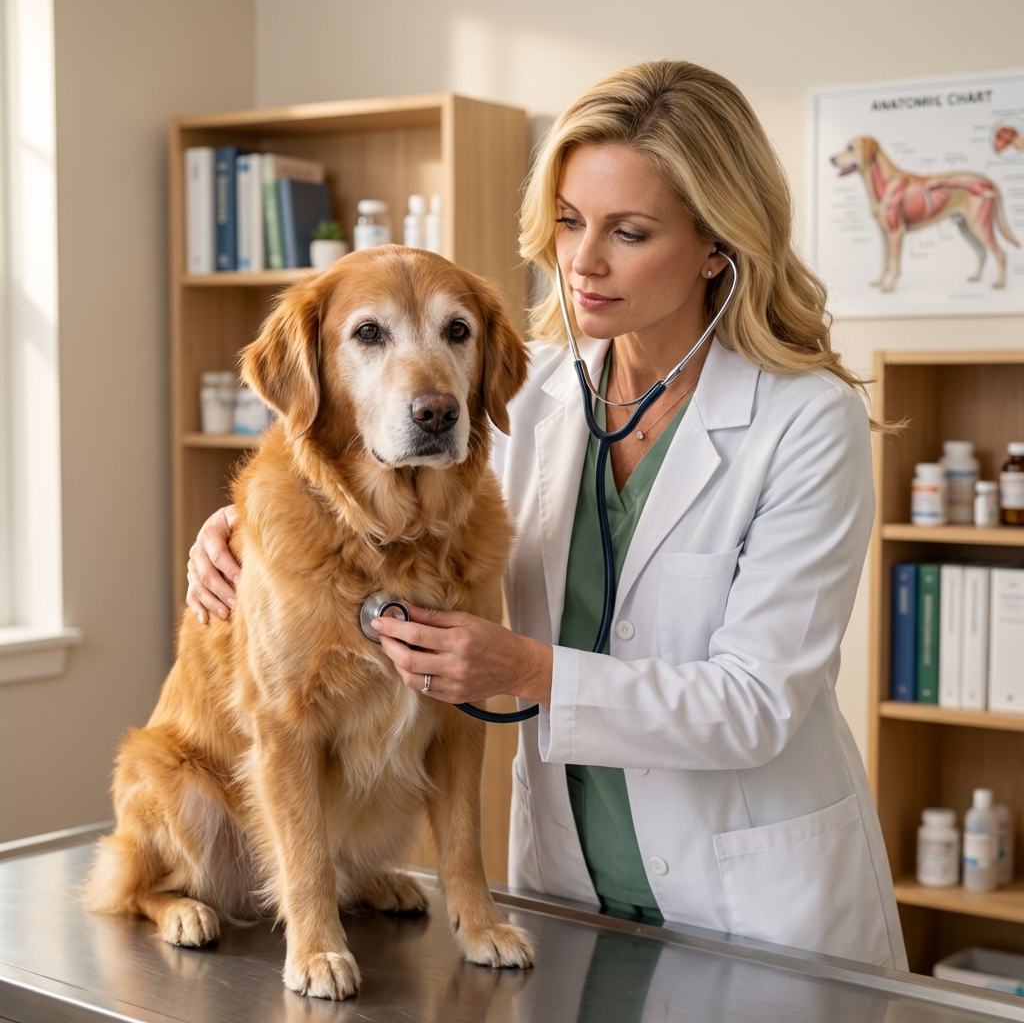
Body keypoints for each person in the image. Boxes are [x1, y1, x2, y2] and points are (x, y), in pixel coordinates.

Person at [186, 61, 907, 969]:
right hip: (570, 883)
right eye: (569, 221)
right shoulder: (534, 386)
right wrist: (233, 535)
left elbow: (756, 704)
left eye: (629, 231)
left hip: (754, 898)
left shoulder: (808, 420)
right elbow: (353, 468)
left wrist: (525, 666)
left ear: (718, 242)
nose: (581, 262)